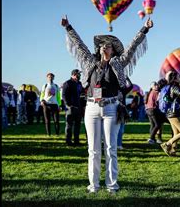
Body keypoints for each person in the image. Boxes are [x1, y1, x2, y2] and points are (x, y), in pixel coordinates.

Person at [61, 15, 153, 194]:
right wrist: (68, 27)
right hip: (91, 107)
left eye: (109, 45)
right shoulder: (90, 62)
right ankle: (93, 185)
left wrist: (144, 29)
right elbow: (79, 45)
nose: (105, 46)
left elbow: (133, 47)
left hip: (111, 107)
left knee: (111, 148)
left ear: (113, 50)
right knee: (93, 150)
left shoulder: (118, 62)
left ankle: (112, 185)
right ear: (99, 48)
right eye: (103, 44)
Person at [159, 71, 180, 156]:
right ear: (175, 78)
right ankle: (167, 144)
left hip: (171, 112)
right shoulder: (174, 87)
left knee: (176, 133)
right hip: (174, 113)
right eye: (178, 76)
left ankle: (172, 151)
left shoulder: (169, 86)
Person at [62, 69, 84, 146]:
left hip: (79, 107)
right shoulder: (67, 83)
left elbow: (82, 94)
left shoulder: (80, 84)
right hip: (70, 107)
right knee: (69, 125)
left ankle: (76, 141)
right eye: (78, 74)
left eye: (79, 75)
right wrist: (68, 105)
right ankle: (68, 141)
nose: (79, 76)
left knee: (78, 125)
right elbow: (64, 95)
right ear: (73, 75)